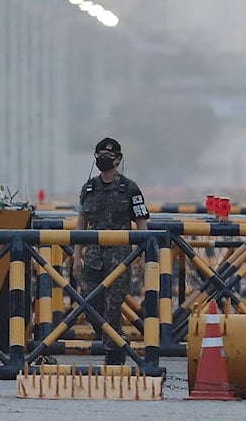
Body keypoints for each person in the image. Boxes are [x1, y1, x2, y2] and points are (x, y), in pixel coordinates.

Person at [71, 137, 150, 365]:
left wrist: (144, 258)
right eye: (99, 156)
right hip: (94, 259)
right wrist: (77, 256)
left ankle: (114, 354)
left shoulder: (130, 188)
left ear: (118, 159)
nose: (103, 160)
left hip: (120, 259)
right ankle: (117, 344)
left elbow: (141, 224)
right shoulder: (88, 188)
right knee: (90, 308)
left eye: (108, 156)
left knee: (112, 309)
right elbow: (81, 223)